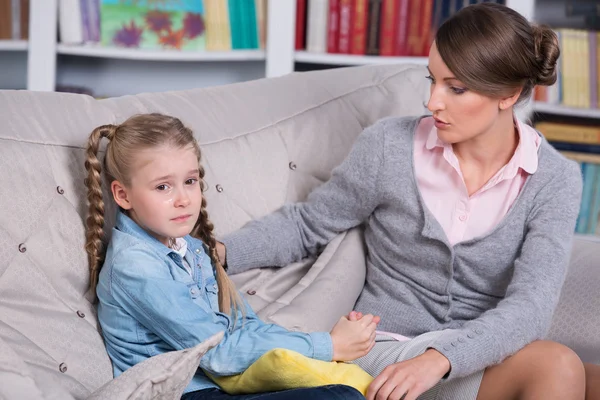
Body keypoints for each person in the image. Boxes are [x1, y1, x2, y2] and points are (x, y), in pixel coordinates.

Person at [217, 3, 600, 400]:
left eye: (455, 88)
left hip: (471, 354)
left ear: (510, 94)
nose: (432, 101)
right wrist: (220, 250)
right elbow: (309, 224)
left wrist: (439, 358)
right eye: (432, 80)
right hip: (386, 348)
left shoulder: (555, 179)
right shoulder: (389, 146)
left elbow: (531, 306)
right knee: (556, 366)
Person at [83, 113, 378, 400]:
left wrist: (321, 352)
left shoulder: (191, 249)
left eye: (190, 181)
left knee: (349, 390)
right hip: (187, 393)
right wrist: (328, 345)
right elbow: (218, 353)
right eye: (163, 187)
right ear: (123, 195)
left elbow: (244, 326)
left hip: (228, 385)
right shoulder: (136, 266)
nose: (184, 199)